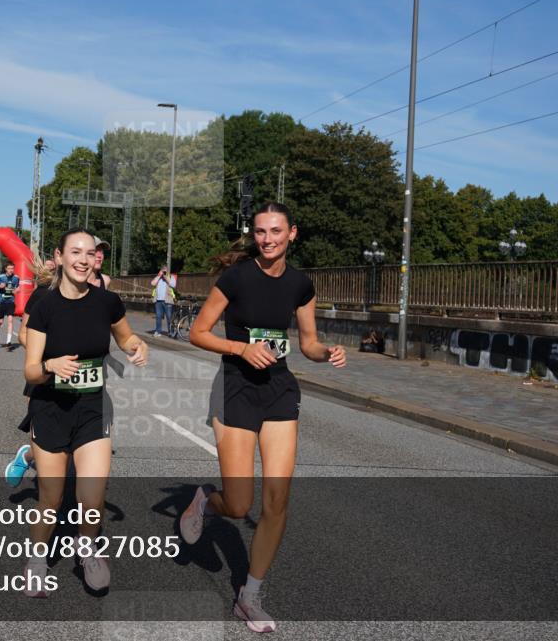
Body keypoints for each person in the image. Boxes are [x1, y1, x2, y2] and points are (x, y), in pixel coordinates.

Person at [179, 202, 346, 633]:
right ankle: (205, 500)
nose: (267, 239)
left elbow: (307, 342)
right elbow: (198, 332)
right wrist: (240, 348)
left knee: (277, 500)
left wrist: (326, 352)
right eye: (260, 232)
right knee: (239, 505)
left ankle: (249, 596)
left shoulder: (300, 284)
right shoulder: (236, 278)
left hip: (279, 391)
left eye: (275, 231)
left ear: (292, 233)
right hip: (236, 389)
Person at [21, 229, 148, 596]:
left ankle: (87, 549)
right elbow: (30, 370)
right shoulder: (44, 305)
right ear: (60, 257)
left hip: (92, 409)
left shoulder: (107, 302)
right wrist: (50, 366)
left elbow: (125, 337)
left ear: (96, 259)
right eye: (75, 252)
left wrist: (137, 346)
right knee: (51, 498)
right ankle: (37, 561)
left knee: (92, 497)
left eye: (89, 253)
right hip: (51, 409)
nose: (83, 259)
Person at [4, 256, 56, 486]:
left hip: (85, 377)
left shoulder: (100, 292)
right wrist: (46, 359)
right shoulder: (45, 293)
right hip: (47, 370)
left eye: (95, 253)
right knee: (46, 431)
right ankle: (27, 457)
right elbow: (24, 334)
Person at [0, 262, 20, 348]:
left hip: (10, 302)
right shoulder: (0, 277)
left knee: (10, 320)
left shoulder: (16, 278)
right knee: (0, 321)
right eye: (9, 268)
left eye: (12, 268)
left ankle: (8, 342)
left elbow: (18, 287)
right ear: (6, 269)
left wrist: (17, 290)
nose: (11, 270)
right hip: (1, 301)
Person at [150, 265, 176, 336]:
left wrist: (165, 277)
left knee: (169, 317)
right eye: (163, 270)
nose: (164, 272)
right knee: (158, 317)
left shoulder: (171, 277)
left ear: (168, 271)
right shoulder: (158, 278)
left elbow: (173, 285)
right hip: (158, 301)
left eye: (165, 270)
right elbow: (152, 283)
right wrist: (159, 276)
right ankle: (158, 331)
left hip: (168, 301)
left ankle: (171, 332)